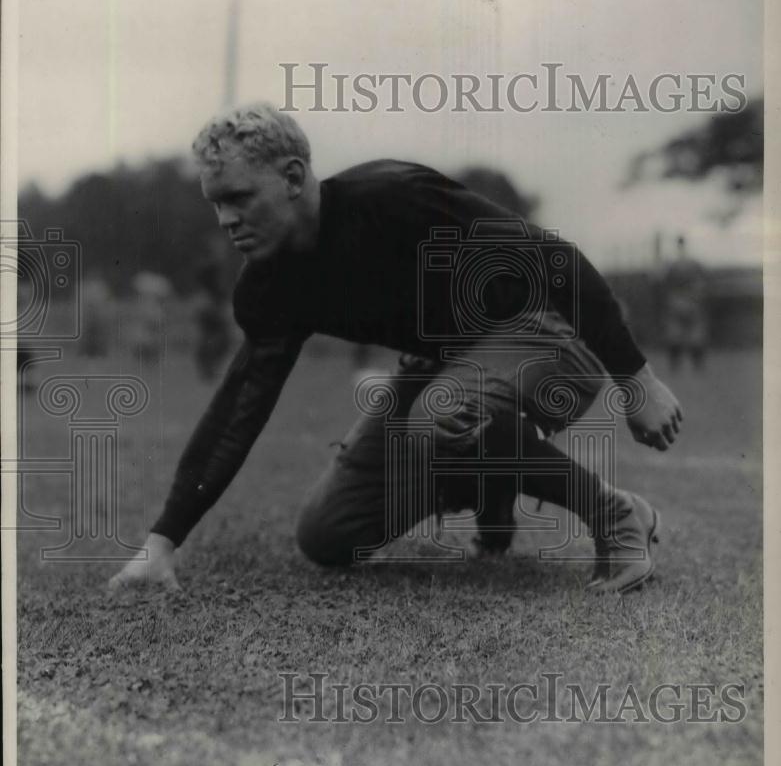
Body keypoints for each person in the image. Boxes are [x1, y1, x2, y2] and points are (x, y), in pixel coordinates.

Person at [109, 103, 683, 596]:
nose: (226, 219)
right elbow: (241, 405)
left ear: (291, 176)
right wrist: (163, 540)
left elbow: (554, 260)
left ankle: (615, 513)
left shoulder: (392, 198)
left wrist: (638, 382)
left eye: (238, 197)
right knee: (330, 533)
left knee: (440, 416)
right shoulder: (268, 282)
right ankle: (489, 480)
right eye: (215, 203)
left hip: (550, 331)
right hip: (450, 360)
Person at [661, 235, 709, 371]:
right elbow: (701, 282)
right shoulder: (687, 262)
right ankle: (686, 365)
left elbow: (664, 282)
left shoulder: (675, 263)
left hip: (682, 299)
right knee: (685, 333)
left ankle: (685, 365)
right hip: (685, 299)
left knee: (687, 333)